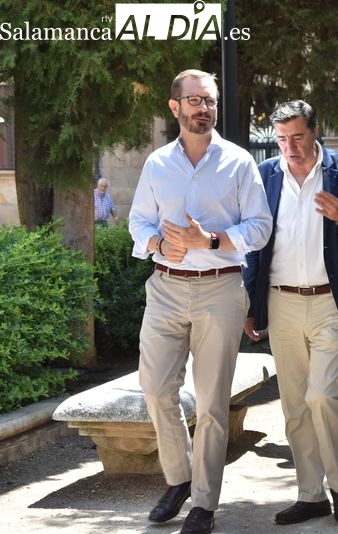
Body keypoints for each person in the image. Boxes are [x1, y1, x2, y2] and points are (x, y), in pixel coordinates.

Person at [128, 69, 272, 534]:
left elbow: (260, 227)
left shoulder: (239, 162)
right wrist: (157, 244)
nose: (203, 107)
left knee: (211, 403)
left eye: (209, 100)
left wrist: (208, 240)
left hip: (220, 288)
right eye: (194, 100)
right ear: (175, 107)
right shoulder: (157, 164)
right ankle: (179, 479)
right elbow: (137, 222)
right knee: (155, 388)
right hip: (165, 287)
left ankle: (204, 503)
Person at [243, 100, 338, 527]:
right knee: (295, 404)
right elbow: (255, 244)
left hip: (330, 301)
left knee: (323, 395)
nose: (290, 147)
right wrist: (251, 303)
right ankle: (310, 494)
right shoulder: (265, 174)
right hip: (281, 301)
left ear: (315, 132)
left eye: (298, 137)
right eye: (282, 139)